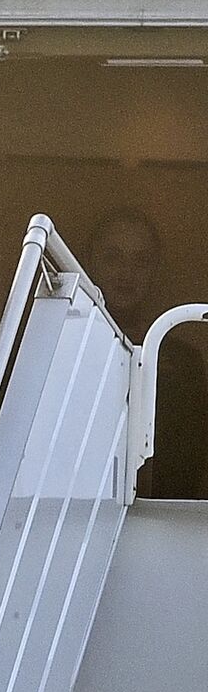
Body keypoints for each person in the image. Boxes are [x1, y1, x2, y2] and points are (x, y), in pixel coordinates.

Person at [87, 206, 207, 499]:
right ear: (91, 263)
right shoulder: (69, 349)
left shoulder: (183, 363)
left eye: (141, 261)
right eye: (114, 257)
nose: (127, 272)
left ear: (155, 272)